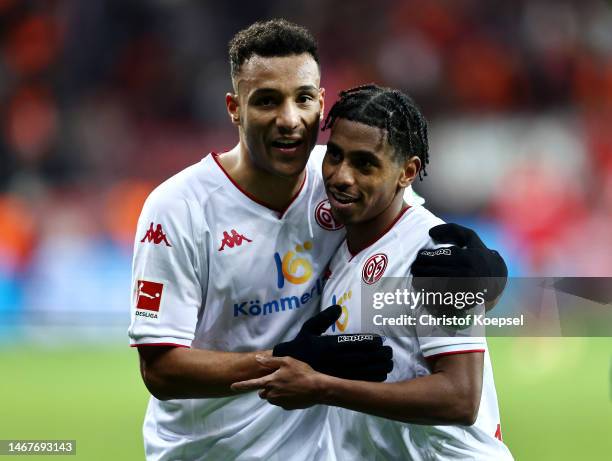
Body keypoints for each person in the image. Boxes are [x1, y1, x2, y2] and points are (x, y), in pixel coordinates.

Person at [128, 19, 507, 460]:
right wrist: (285, 359)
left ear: (321, 103)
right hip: (207, 451)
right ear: (234, 107)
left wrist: (489, 276)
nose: (289, 120)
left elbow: (417, 234)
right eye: (267, 101)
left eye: (303, 99)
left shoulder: (341, 173)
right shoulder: (178, 208)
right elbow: (161, 370)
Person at [232, 85, 514, 460]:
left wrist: (322, 387)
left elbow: (459, 398)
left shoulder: (435, 258)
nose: (341, 176)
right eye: (335, 156)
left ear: (407, 172)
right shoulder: (342, 247)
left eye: (365, 164)